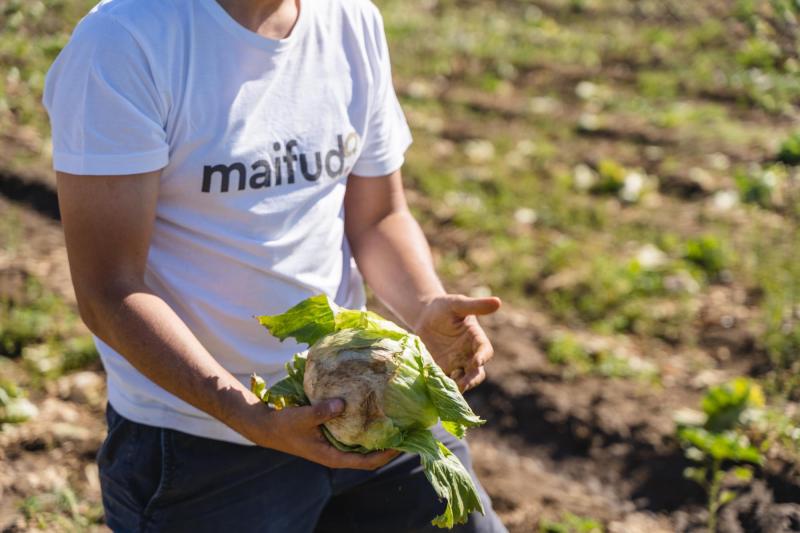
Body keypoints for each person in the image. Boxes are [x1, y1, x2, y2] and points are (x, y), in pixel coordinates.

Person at [44, 0, 506, 531]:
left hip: (366, 403)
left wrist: (424, 302)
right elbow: (109, 290)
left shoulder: (350, 20)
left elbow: (377, 217)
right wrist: (251, 416)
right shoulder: (125, 41)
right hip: (204, 446)